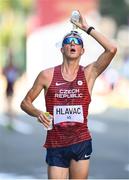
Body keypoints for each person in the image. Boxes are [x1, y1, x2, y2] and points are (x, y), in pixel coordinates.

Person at [20, 11, 117, 179]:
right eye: (68, 41)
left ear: (82, 51)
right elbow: (25, 103)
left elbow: (112, 49)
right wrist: (38, 113)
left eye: (77, 42)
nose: (73, 44)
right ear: (62, 48)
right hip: (56, 143)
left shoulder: (89, 73)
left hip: (80, 141)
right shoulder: (47, 75)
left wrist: (87, 28)